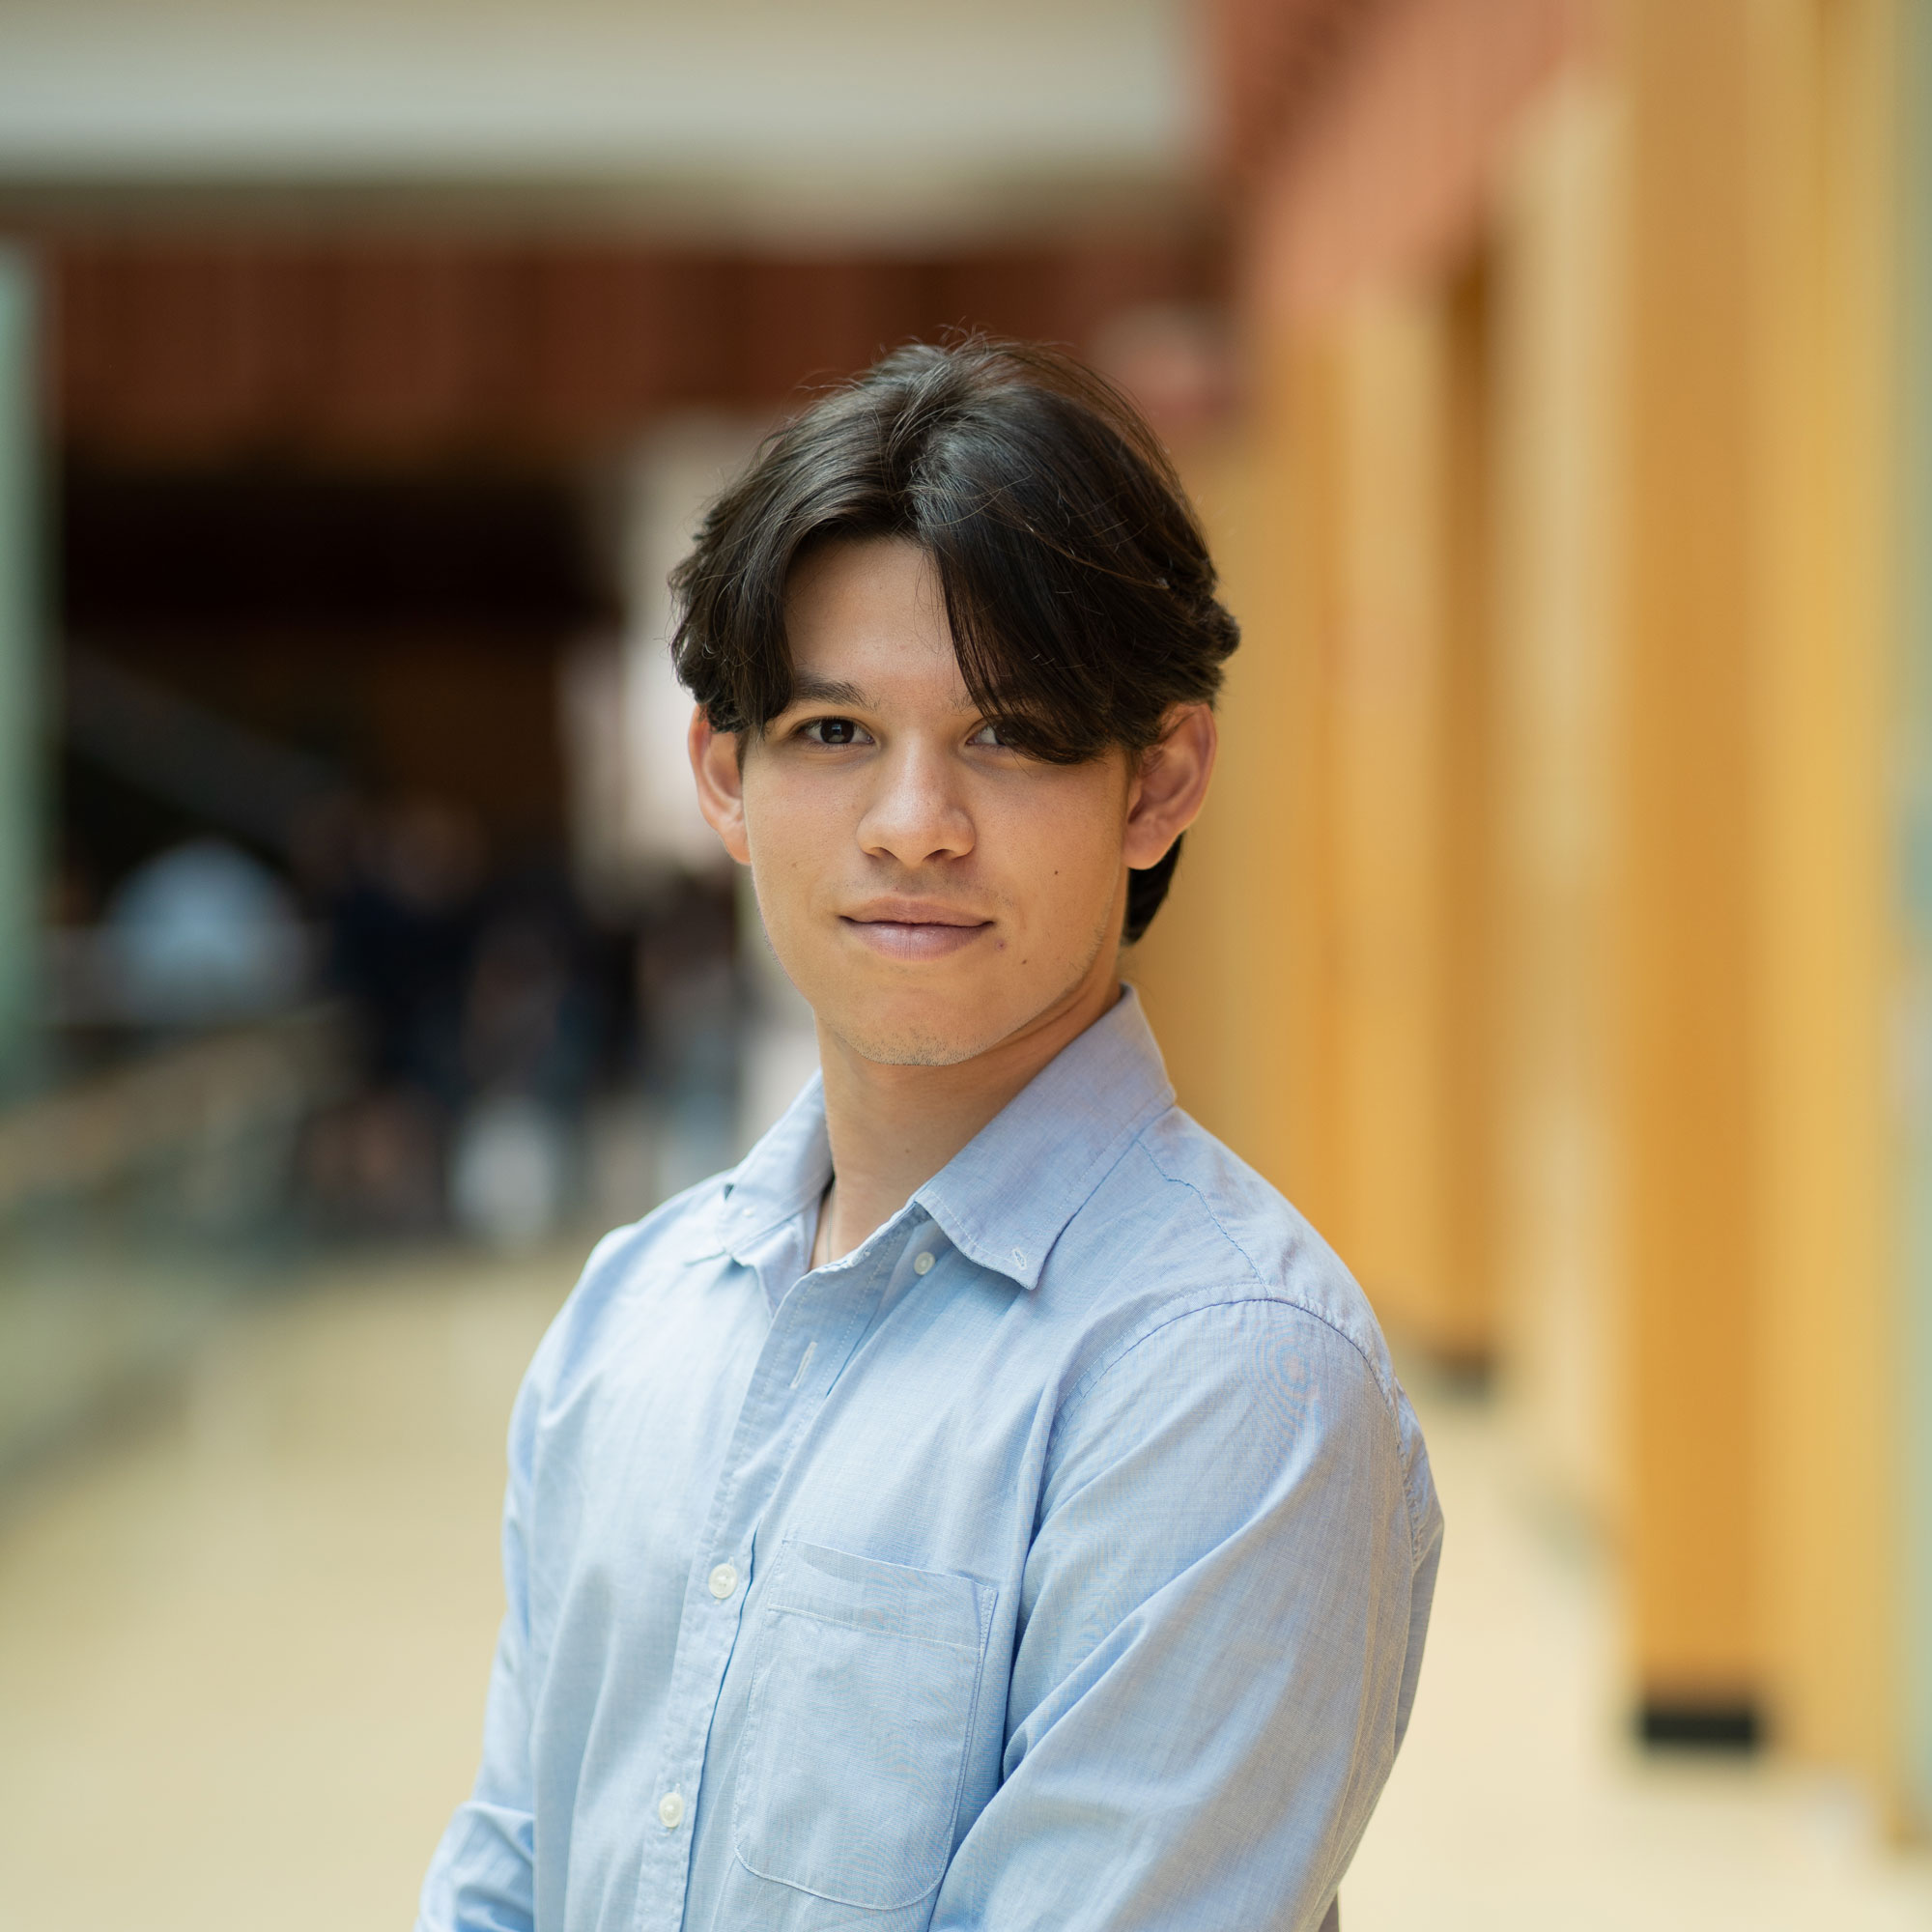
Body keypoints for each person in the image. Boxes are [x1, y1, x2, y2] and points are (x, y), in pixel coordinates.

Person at [416, 338, 1441, 1932]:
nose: (914, 823)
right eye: (834, 733)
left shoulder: (1233, 1378)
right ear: (722, 776)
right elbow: (508, 1870)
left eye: (1011, 735)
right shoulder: (636, 1312)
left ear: (1159, 781)